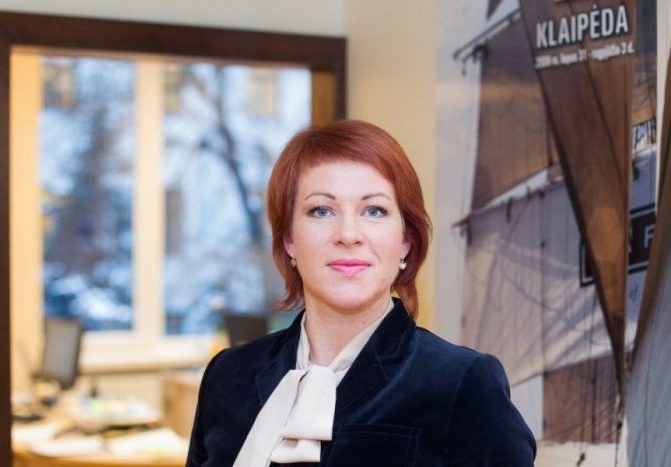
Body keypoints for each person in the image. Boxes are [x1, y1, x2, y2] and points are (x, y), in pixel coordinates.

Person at [186, 120, 536, 466]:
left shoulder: (463, 384)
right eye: (321, 211)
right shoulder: (227, 377)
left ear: (405, 240)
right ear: (289, 240)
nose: (348, 234)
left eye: (374, 211)